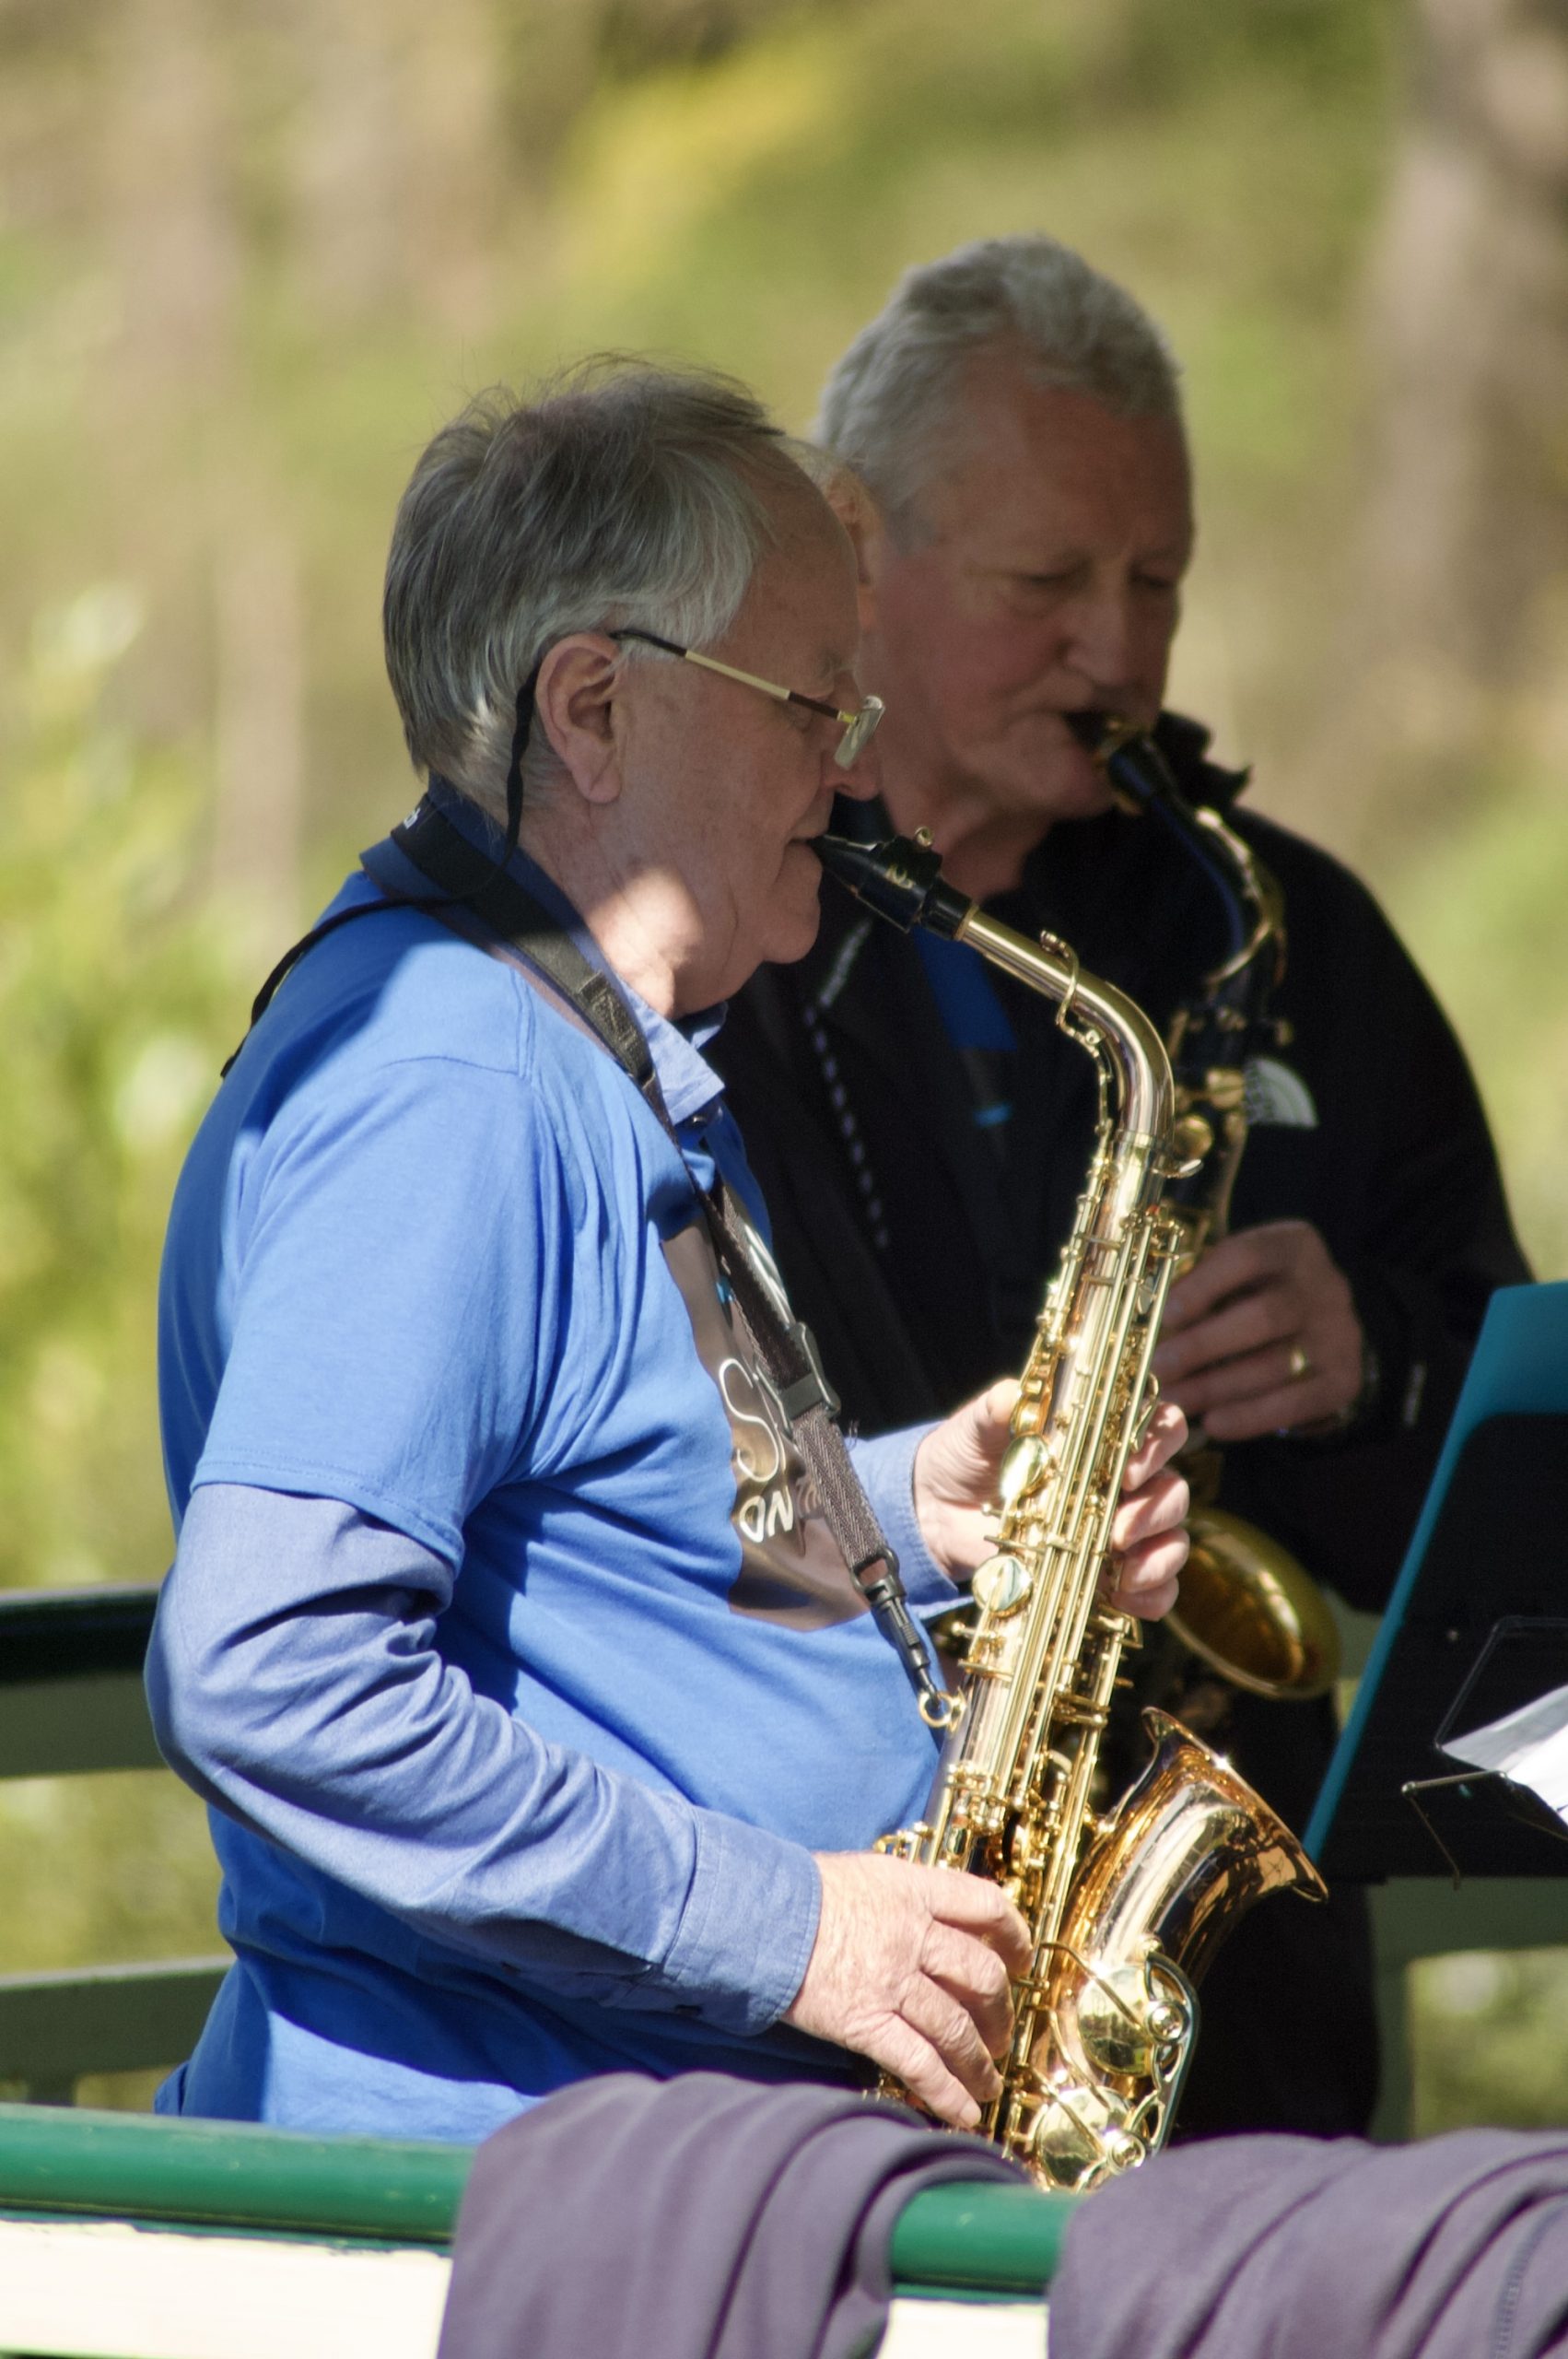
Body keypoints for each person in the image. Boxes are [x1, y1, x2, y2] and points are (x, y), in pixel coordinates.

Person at [145, 360, 1189, 2143]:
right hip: (487, 2211)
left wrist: (900, 1515)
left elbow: (608, 1541)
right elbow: (270, 1677)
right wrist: (796, 1935)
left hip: (635, 2171)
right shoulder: (455, 1083)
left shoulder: (586, 1053)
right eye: (813, 703)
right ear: (594, 711)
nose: (853, 766)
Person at [716, 237, 1532, 2136]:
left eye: (1155, 580)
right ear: (856, 553)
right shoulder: (716, 931)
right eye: (1047, 583)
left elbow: (1511, 1491)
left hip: (1243, 2004)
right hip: (824, 1980)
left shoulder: (1282, 931)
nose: (1122, 653)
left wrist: (1378, 1363)